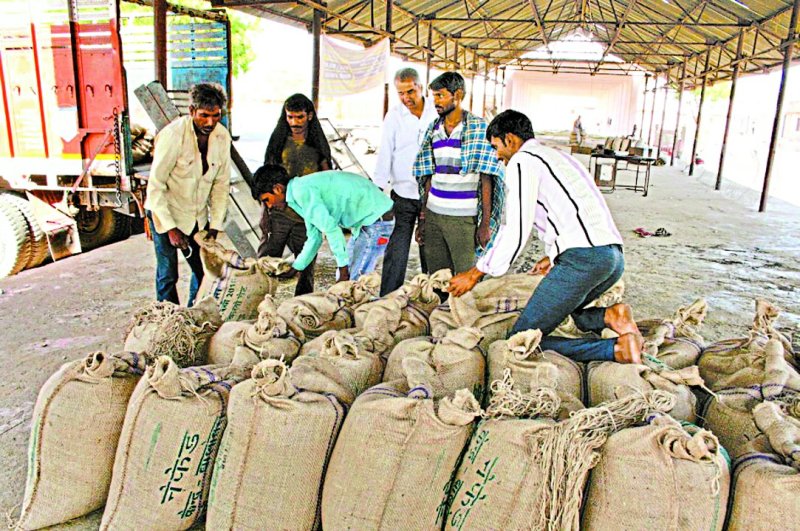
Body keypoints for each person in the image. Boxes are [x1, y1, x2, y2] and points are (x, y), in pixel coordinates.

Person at [448, 110, 642, 364]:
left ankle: (614, 350)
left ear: (510, 139)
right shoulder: (558, 157)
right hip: (612, 257)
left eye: (497, 147)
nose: (498, 156)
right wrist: (553, 254)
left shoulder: (523, 161)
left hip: (583, 259)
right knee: (562, 311)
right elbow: (577, 210)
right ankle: (609, 316)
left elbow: (515, 228)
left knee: (521, 340)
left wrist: (477, 272)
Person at [412, 72, 505, 283]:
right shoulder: (433, 130)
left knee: (465, 280)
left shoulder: (479, 128)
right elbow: (428, 175)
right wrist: (424, 217)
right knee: (437, 280)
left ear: (458, 95)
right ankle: (441, 317)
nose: (436, 102)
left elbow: (487, 177)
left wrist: (485, 224)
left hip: (463, 219)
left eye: (441, 96)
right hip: (435, 216)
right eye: (434, 96)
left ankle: (463, 316)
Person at [144, 82, 230, 306]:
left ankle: (193, 313)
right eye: (204, 116)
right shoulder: (173, 135)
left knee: (203, 272)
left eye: (215, 115)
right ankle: (167, 321)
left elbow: (221, 185)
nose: (210, 122)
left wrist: (215, 226)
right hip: (165, 213)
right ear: (192, 111)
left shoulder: (222, 137)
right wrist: (171, 229)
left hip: (195, 217)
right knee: (168, 274)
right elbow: (155, 186)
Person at [252, 165, 393, 283]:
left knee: (355, 282)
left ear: (277, 189)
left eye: (266, 200)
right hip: (368, 223)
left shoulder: (302, 192)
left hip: (377, 222)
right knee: (345, 278)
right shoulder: (298, 192)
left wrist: (343, 268)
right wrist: (297, 267)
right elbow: (314, 237)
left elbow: (332, 229)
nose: (269, 206)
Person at [258, 94, 333, 295]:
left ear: (309, 116)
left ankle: (303, 308)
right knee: (265, 262)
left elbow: (328, 178)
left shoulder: (317, 144)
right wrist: (267, 210)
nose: (294, 122)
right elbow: (266, 176)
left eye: (299, 117)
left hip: (306, 216)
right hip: (279, 214)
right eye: (290, 117)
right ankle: (259, 302)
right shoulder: (278, 142)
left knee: (305, 266)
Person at [373, 67, 438, 296]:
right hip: (402, 192)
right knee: (398, 246)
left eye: (410, 91)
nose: (406, 98)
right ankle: (388, 296)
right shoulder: (394, 116)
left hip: (432, 194)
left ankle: (433, 296)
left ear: (421, 87)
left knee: (429, 247)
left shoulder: (436, 112)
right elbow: (385, 153)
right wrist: (377, 188)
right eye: (401, 93)